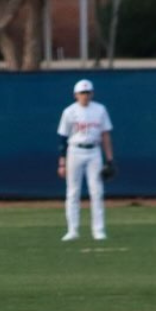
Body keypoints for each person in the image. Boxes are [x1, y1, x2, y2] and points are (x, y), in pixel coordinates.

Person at [56, 78, 114, 241]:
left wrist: (109, 159)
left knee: (97, 191)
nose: (85, 96)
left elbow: (105, 135)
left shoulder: (100, 110)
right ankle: (72, 230)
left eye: (88, 92)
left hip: (94, 151)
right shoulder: (69, 111)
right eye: (82, 93)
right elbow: (62, 137)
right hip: (74, 151)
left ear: (92, 93)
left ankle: (98, 230)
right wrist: (62, 162)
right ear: (76, 95)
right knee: (73, 192)